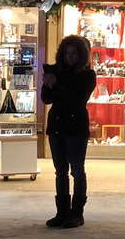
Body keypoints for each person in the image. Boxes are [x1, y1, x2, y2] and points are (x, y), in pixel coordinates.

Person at [41, 35, 96, 228]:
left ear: (81, 55)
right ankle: (62, 212)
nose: (70, 56)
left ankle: (77, 213)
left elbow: (78, 99)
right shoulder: (57, 72)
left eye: (74, 53)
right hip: (56, 125)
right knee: (60, 171)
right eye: (67, 53)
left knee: (77, 171)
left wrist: (55, 84)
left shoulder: (88, 75)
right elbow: (46, 99)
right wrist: (47, 83)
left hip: (76, 127)